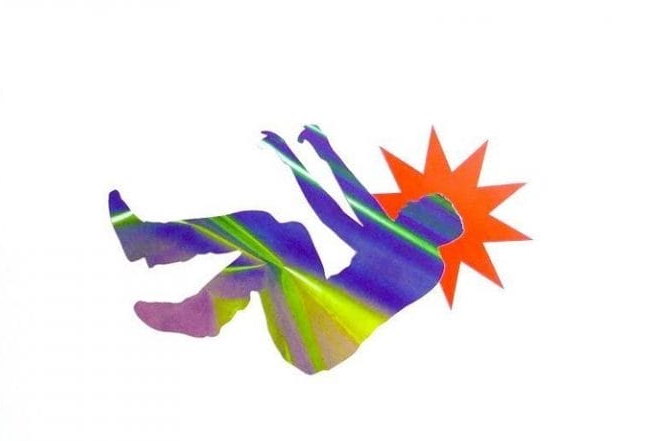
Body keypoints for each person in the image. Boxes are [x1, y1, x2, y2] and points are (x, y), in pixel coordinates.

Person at [109, 125, 463, 374]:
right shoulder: (407, 248)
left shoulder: (422, 263)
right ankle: (197, 306)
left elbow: (339, 215)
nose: (407, 204)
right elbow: (361, 206)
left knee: (270, 235)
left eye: (416, 204)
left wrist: (299, 159)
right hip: (314, 316)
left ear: (427, 224)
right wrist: (323, 153)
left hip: (318, 339)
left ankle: (157, 253)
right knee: (284, 240)